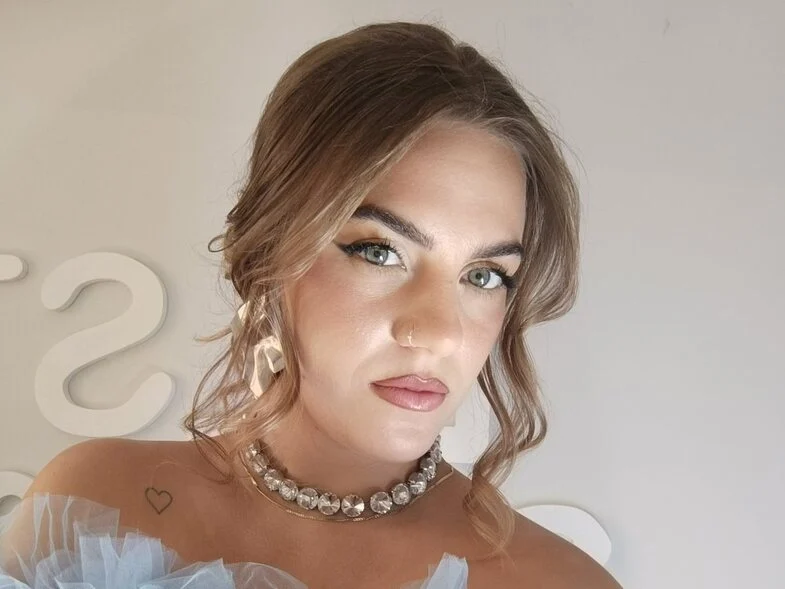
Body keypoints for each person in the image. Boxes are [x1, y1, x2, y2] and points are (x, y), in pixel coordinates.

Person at [0, 20, 622, 589]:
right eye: (379, 251)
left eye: (484, 275)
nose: (440, 332)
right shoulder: (95, 505)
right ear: (271, 250)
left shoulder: (556, 582)